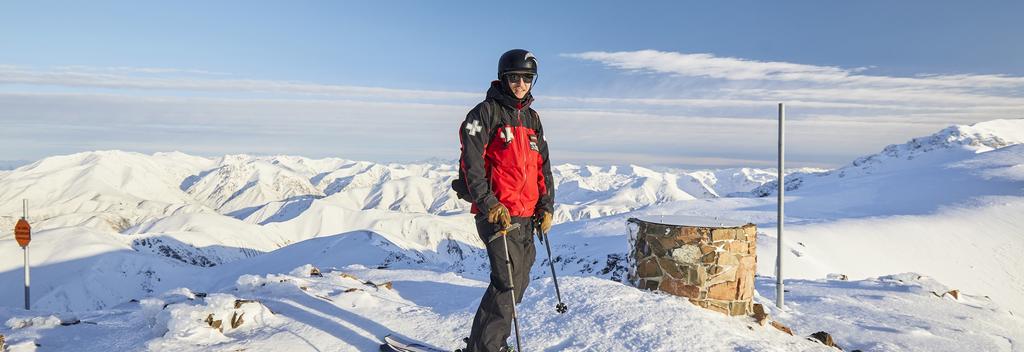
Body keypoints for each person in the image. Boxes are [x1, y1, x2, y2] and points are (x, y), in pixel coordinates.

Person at [456, 49, 554, 352]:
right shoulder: (484, 114)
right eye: (515, 77)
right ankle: (486, 348)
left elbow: (543, 166)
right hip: (498, 215)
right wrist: (489, 204)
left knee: (517, 285)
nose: (521, 84)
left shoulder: (533, 119)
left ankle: (489, 342)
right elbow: (472, 165)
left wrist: (546, 206)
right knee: (506, 282)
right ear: (503, 78)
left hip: (526, 216)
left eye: (527, 78)